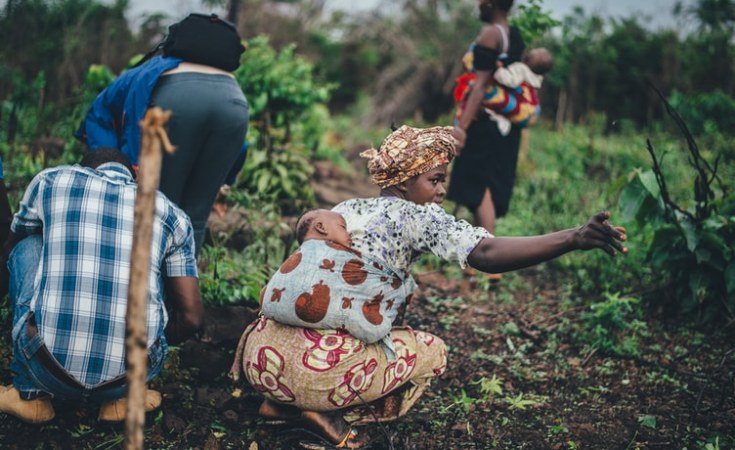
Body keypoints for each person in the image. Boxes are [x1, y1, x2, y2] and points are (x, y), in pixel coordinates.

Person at [231, 125, 627, 449]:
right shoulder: (418, 217)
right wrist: (572, 238)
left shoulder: (341, 211)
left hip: (261, 359)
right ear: (404, 182)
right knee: (433, 352)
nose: (440, 192)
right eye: (434, 180)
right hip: (316, 373)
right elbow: (485, 252)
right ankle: (324, 413)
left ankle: (279, 405)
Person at [0, 149, 203, 424]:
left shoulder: (51, 181)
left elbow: (12, 248)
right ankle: (120, 399)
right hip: (129, 376)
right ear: (134, 178)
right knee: (152, 268)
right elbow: (191, 318)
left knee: (29, 245)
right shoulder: (171, 215)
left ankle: (31, 395)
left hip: (43, 366)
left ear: (83, 168)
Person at [76, 15, 249, 254]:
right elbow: (239, 147)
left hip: (176, 99)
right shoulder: (227, 80)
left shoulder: (146, 70)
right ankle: (183, 286)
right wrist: (224, 178)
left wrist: (117, 166)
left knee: (157, 207)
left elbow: (97, 116)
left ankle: (145, 286)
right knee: (195, 216)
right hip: (234, 105)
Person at [256, 208, 414, 347]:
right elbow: (379, 282)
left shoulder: (298, 256)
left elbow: (268, 290)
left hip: (276, 312)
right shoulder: (342, 255)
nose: (349, 233)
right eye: (343, 227)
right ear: (321, 227)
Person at [448, 0, 526, 261]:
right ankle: (479, 253)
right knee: (487, 186)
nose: (478, 5)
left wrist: (462, 128)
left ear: (491, 3)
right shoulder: (514, 36)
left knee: (479, 187)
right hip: (506, 128)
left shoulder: (491, 34)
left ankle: (489, 255)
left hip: (484, 126)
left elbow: (479, 86)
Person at [456, 47, 553, 136]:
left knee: (484, 91)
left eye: (534, 53)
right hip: (527, 113)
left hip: (520, 111)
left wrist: (499, 69)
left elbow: (509, 81)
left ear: (528, 59)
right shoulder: (536, 78)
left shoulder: (521, 69)